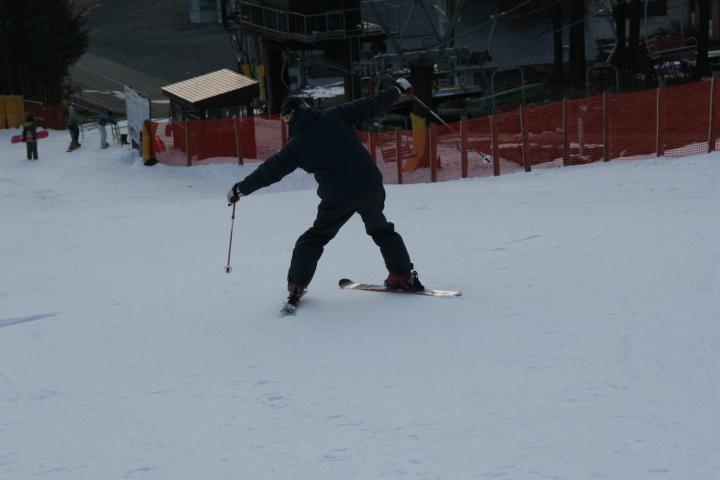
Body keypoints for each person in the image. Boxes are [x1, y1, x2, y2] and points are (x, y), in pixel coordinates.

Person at [227, 78, 424, 305]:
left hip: (338, 197)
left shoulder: (296, 146)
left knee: (314, 238)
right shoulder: (335, 114)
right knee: (381, 230)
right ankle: (402, 276)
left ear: (289, 119)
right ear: (306, 107)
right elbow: (372, 104)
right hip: (370, 185)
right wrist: (397, 89)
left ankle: (296, 285)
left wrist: (240, 189)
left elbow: (269, 171)